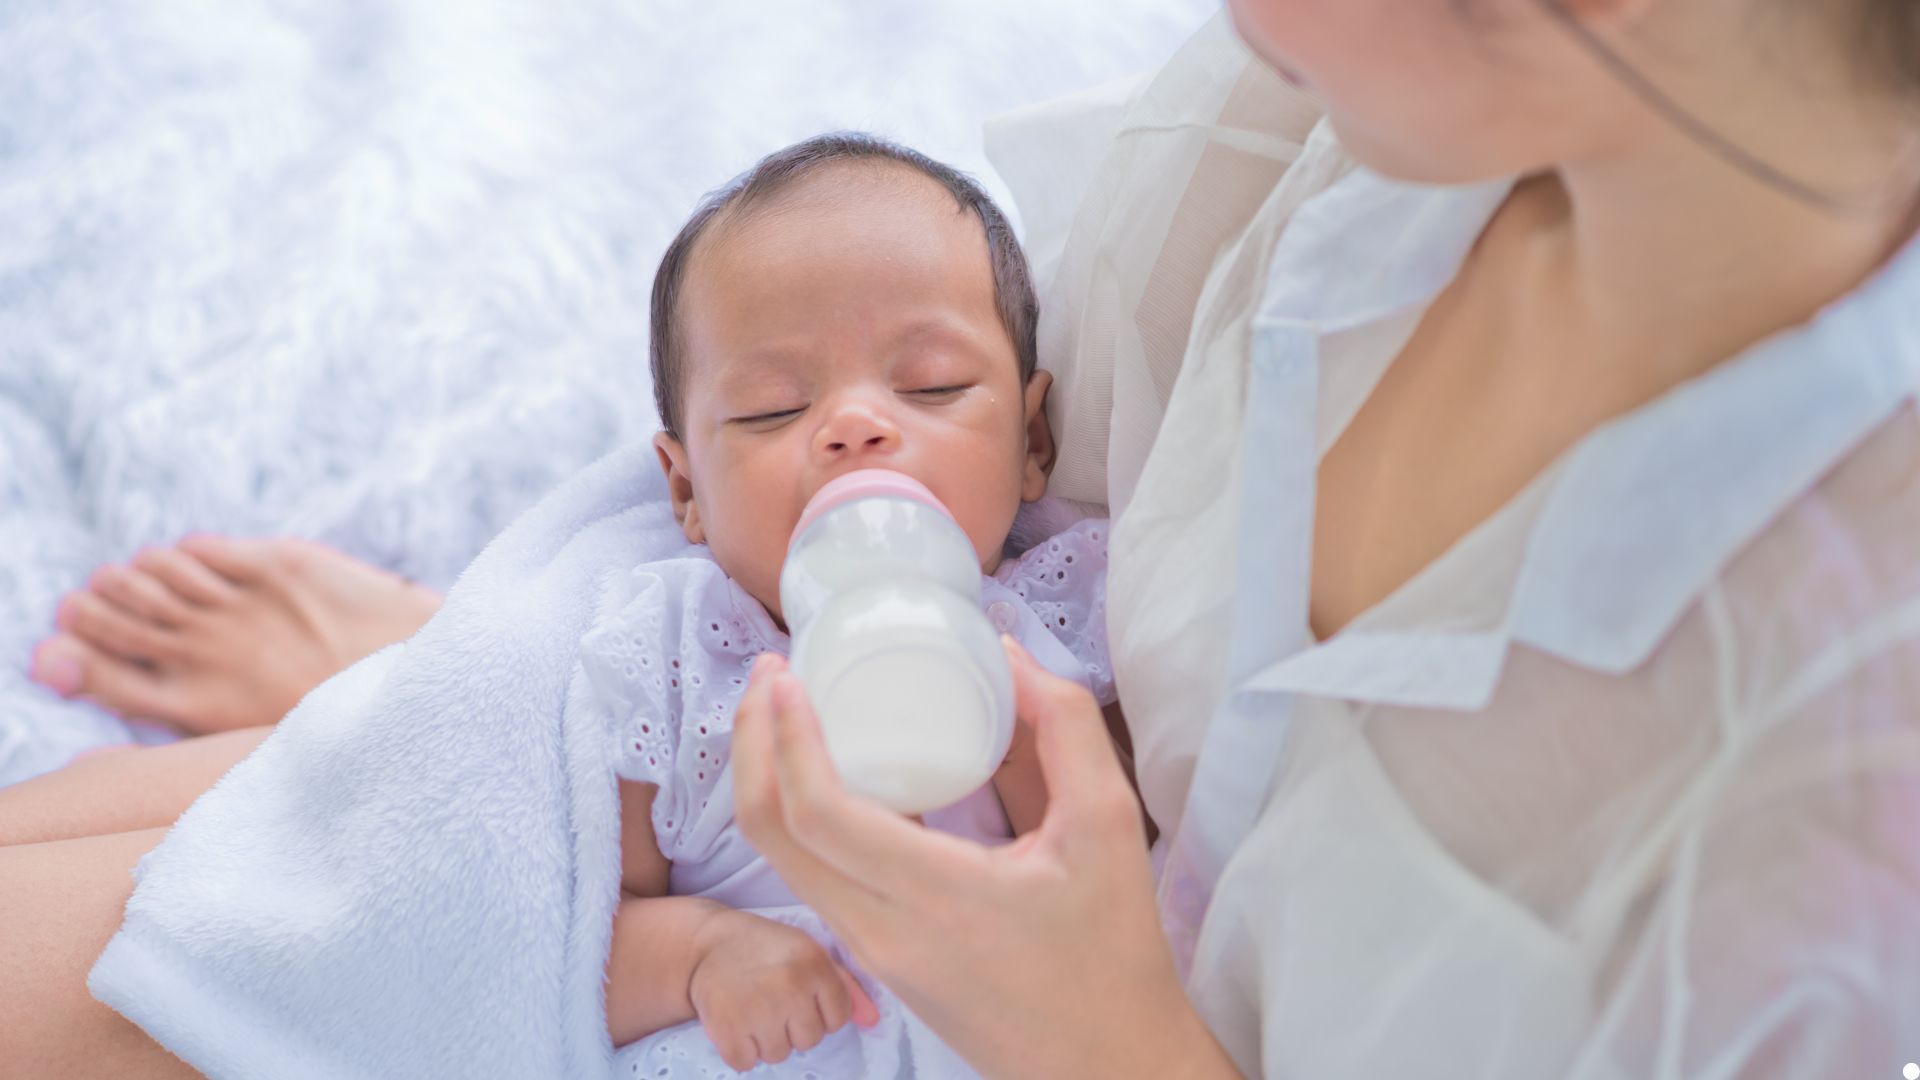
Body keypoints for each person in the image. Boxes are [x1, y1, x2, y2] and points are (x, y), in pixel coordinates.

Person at [6, 0, 1920, 1075]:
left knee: (164, 957)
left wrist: (1097, 1037)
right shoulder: (1328, 123)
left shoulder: (1825, 827)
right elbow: (987, 457)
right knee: (295, 782)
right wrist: (552, 685)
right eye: (752, 420)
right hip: (694, 784)